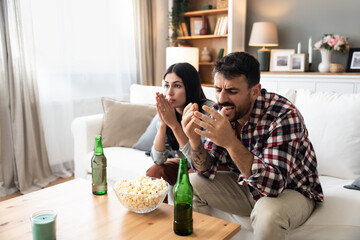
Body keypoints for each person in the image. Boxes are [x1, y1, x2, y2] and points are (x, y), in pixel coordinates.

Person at [181, 52, 324, 240]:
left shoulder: (283, 115)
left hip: (292, 191)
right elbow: (206, 171)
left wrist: (230, 142)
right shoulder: (221, 110)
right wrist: (194, 141)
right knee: (189, 185)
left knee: (268, 212)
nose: (221, 99)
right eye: (217, 89)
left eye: (232, 91)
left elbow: (274, 187)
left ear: (255, 91)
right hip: (247, 186)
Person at [146, 62, 214, 196]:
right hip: (188, 164)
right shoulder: (169, 111)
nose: (169, 92)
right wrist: (163, 123)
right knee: (155, 171)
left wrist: (174, 125)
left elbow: (199, 164)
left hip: (209, 167)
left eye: (177, 86)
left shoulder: (207, 112)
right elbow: (158, 159)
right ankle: (157, 216)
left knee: (189, 176)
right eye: (166, 85)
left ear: (190, 87)